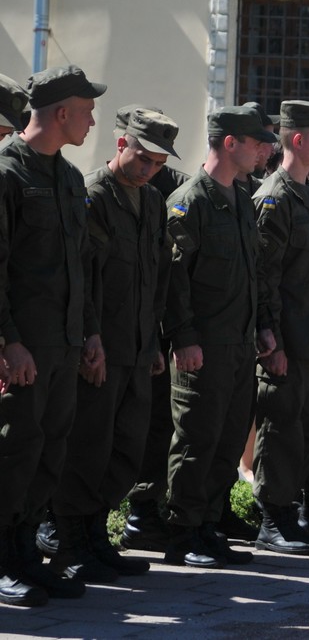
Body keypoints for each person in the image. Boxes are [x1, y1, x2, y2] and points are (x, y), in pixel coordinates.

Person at [48, 107, 177, 583]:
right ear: (122, 145)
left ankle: (97, 535)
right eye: (143, 158)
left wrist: (155, 342)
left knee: (125, 448)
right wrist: (90, 337)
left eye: (158, 164)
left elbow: (156, 278)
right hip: (101, 346)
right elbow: (82, 276)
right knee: (87, 447)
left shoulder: (153, 201)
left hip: (138, 347)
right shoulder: (93, 195)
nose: (149, 170)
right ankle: (70, 542)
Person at [150, 106, 275, 570]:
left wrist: (263, 326)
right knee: (195, 441)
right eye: (256, 141)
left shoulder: (241, 197)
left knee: (227, 440)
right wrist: (183, 337)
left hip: (239, 342)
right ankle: (183, 532)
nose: (264, 149)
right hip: (202, 345)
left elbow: (253, 272)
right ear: (229, 142)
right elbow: (174, 278)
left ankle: (208, 524)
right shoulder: (191, 201)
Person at [0, 65, 107, 606]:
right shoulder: (7, 173)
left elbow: (79, 266)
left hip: (63, 344)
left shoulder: (68, 177)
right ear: (62, 112)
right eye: (87, 111)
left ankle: (25, 555)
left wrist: (90, 332)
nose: (92, 121)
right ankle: (3, 560)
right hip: (25, 345)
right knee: (13, 450)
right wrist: (8, 341)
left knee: (49, 451)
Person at [250, 101, 309, 555]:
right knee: (281, 430)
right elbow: (263, 277)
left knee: (307, 433)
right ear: (299, 140)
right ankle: (272, 518)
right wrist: (271, 338)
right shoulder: (275, 197)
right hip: (288, 341)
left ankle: (293, 511)